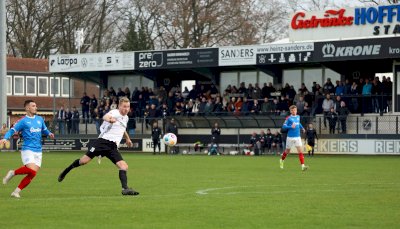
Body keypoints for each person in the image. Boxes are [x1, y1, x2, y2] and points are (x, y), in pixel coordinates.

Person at [57, 97, 139, 196]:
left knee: (124, 166)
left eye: (128, 107)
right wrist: (110, 119)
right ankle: (66, 171)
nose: (126, 109)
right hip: (102, 142)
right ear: (119, 106)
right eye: (124, 106)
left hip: (112, 147)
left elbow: (122, 128)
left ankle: (125, 189)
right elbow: (105, 116)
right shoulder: (114, 113)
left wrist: (127, 138)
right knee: (83, 161)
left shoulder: (126, 118)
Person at [1, 100, 55, 198]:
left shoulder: (40, 119)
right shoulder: (23, 121)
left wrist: (49, 133)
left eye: (36, 105)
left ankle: (16, 192)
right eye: (33, 106)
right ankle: (12, 173)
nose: (36, 107)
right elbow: (12, 130)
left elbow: (45, 130)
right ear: (27, 108)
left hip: (38, 150)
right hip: (28, 149)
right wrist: (5, 138)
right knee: (31, 171)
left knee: (32, 174)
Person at [280, 105, 308, 171]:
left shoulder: (298, 117)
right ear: (290, 111)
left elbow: (298, 123)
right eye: (292, 110)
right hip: (290, 137)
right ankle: (281, 160)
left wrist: (302, 128)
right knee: (287, 151)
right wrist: (290, 127)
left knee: (300, 151)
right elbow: (284, 126)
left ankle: (303, 166)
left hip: (297, 137)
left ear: (296, 110)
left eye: (295, 110)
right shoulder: (288, 118)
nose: (294, 111)